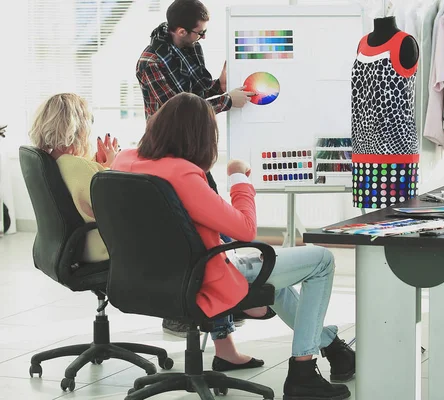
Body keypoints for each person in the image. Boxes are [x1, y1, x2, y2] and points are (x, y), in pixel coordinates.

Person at [112, 93, 355, 400]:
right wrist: (238, 177)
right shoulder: (182, 175)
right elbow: (244, 229)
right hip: (203, 279)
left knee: (274, 278)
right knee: (321, 260)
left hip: (147, 280)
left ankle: (332, 347)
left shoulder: (125, 161)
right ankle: (303, 373)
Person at [136, 0, 255, 337]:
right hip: (168, 157)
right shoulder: (150, 62)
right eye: (199, 32)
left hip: (194, 152)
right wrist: (228, 100)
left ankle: (223, 305)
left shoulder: (191, 48)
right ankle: (181, 312)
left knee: (215, 232)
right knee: (185, 237)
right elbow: (180, 110)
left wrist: (219, 85)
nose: (202, 38)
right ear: (180, 30)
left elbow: (200, 93)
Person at [28, 93, 119, 262]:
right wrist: (112, 167)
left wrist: (100, 167)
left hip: (75, 245)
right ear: (78, 128)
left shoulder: (52, 162)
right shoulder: (78, 167)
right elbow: (116, 209)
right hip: (99, 247)